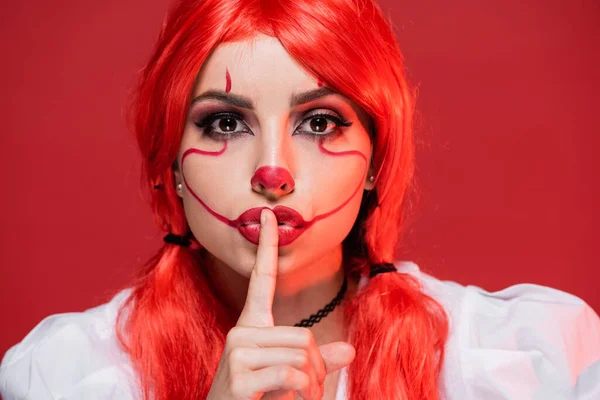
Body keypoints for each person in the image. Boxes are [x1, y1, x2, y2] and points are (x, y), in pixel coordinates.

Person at [1, 0, 599, 399]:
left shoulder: (531, 362)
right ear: (171, 165)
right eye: (225, 125)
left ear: (375, 163)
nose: (274, 171)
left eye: (318, 123)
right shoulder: (65, 377)